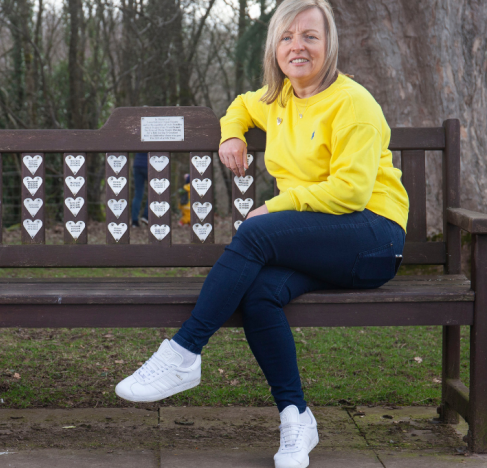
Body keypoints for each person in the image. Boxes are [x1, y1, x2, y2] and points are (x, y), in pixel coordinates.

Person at [115, 1, 408, 467]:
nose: (298, 46)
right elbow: (239, 106)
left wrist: (274, 205)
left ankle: (184, 352)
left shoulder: (354, 103)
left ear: (329, 45)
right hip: (324, 242)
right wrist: (231, 134)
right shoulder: (278, 98)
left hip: (373, 238)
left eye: (310, 36)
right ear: (274, 47)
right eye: (287, 37)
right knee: (259, 295)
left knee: (256, 233)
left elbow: (351, 192)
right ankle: (296, 416)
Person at [131, 152, 149, 227]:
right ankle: (146, 216)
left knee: (138, 194)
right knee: (154, 193)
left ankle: (134, 221)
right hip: (150, 165)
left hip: (137, 164)